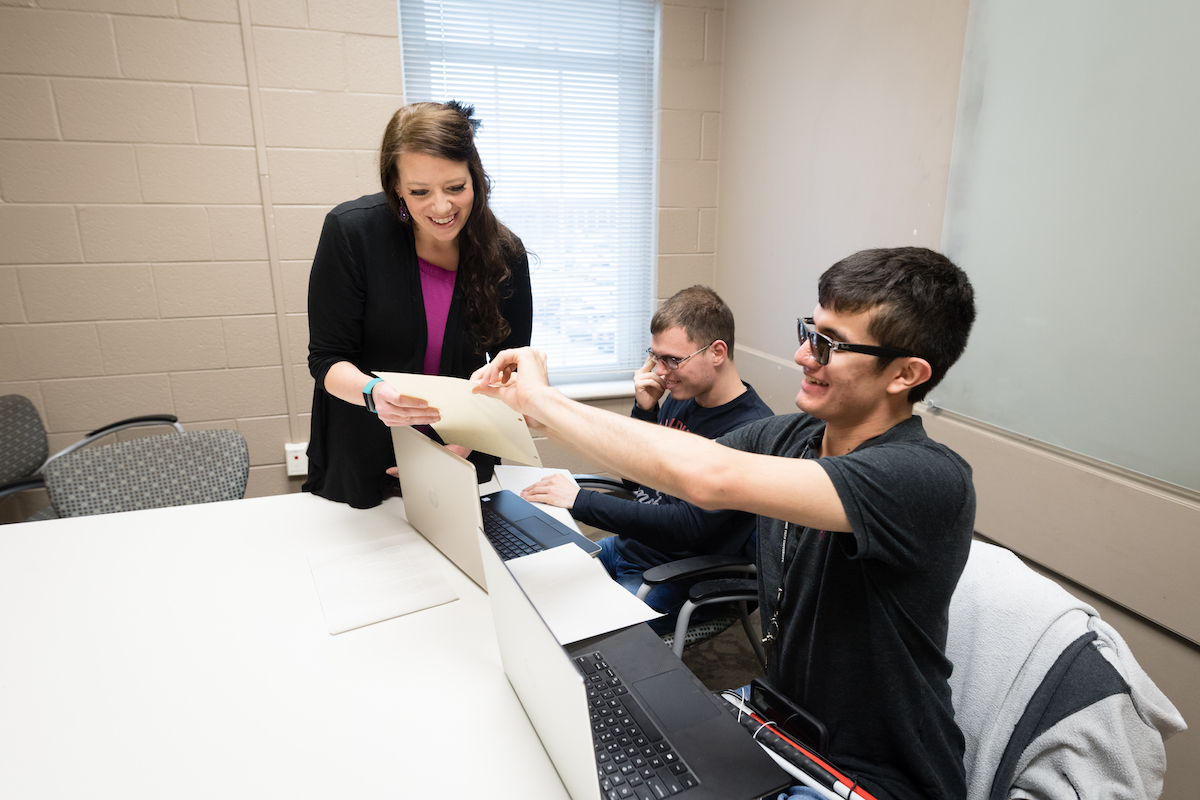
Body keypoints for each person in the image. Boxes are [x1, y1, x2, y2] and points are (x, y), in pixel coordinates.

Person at [471, 247, 977, 800]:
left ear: (906, 374)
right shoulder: (790, 439)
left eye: (829, 344)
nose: (803, 354)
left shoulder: (924, 478)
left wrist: (544, 400)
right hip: (786, 725)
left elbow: (708, 478)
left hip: (874, 775)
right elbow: (662, 455)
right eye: (811, 330)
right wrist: (526, 409)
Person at [304, 101, 532, 509]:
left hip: (462, 451)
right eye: (420, 192)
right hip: (362, 453)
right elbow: (326, 358)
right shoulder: (352, 233)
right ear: (396, 187)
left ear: (475, 177)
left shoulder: (505, 253)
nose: (442, 208)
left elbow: (510, 368)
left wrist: (465, 442)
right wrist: (374, 393)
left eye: (455, 188)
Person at [521, 285, 772, 633]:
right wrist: (645, 410)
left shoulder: (752, 430)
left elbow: (685, 527)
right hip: (630, 549)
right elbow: (641, 486)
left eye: (672, 359)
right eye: (655, 356)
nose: (661, 371)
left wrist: (580, 501)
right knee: (532, 593)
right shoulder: (681, 397)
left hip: (680, 573)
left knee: (588, 636)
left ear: (717, 352)